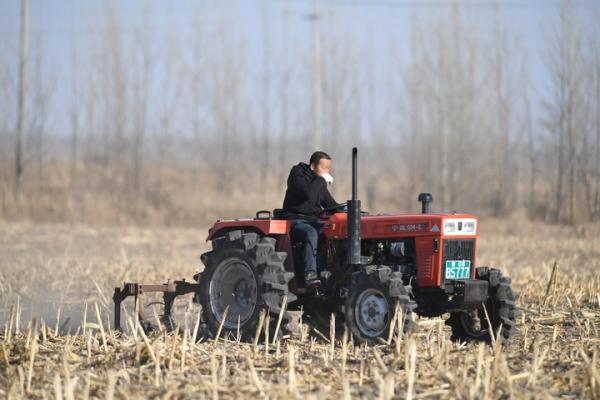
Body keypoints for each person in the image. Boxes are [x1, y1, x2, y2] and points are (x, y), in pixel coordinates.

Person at [281, 151, 338, 286]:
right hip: (295, 220)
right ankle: (310, 273)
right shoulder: (297, 174)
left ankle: (329, 272)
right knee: (310, 232)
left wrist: (348, 212)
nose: (326, 171)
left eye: (328, 168)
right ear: (313, 166)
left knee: (331, 232)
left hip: (313, 220)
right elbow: (308, 193)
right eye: (324, 168)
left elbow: (330, 204)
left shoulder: (319, 182)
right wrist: (321, 180)